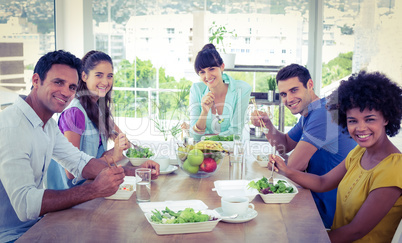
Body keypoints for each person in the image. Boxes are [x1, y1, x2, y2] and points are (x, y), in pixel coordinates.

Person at [0, 50, 160, 242]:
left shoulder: (47, 124)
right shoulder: (11, 127)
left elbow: (80, 163)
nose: (66, 92)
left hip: (37, 225)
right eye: (58, 82)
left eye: (72, 86)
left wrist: (136, 172)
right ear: (36, 80)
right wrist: (93, 190)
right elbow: (26, 205)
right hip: (12, 236)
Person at [271, 70, 402, 242]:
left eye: (369, 119)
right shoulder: (359, 153)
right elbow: (322, 182)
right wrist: (286, 170)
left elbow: (355, 231)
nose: (360, 128)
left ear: (386, 118)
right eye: (352, 121)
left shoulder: (394, 168)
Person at [251, 63, 356, 228]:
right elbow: (284, 145)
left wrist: (290, 162)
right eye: (284, 94)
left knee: (259, 218)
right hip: (312, 196)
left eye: (294, 90)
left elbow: (293, 166)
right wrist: (266, 124)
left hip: (326, 210)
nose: (289, 99)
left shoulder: (323, 114)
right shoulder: (311, 112)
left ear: (310, 85)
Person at [45, 50, 137, 190]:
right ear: (84, 76)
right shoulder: (74, 113)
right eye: (98, 75)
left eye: (110, 76)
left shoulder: (98, 109)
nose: (105, 82)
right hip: (72, 196)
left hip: (93, 186)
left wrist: (141, 164)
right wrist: (111, 156)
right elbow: (71, 172)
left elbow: (124, 142)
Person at [189, 43, 251, 141]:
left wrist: (206, 140)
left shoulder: (242, 89)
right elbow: (195, 136)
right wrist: (204, 112)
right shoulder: (196, 90)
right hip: (204, 153)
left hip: (230, 152)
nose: (207, 76)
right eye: (202, 72)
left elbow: (235, 132)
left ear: (222, 67)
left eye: (212, 69)